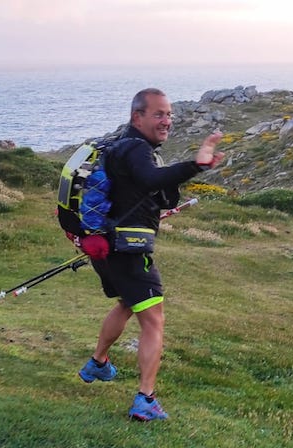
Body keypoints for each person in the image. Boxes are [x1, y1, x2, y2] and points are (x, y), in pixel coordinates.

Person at [76, 87, 224, 421]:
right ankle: (145, 400)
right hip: (128, 251)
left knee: (128, 303)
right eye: (158, 114)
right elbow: (149, 179)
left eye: (169, 114)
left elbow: (145, 191)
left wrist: (156, 207)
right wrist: (196, 165)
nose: (167, 121)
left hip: (108, 247)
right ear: (137, 117)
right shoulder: (135, 149)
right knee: (154, 320)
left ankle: (97, 363)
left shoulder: (120, 148)